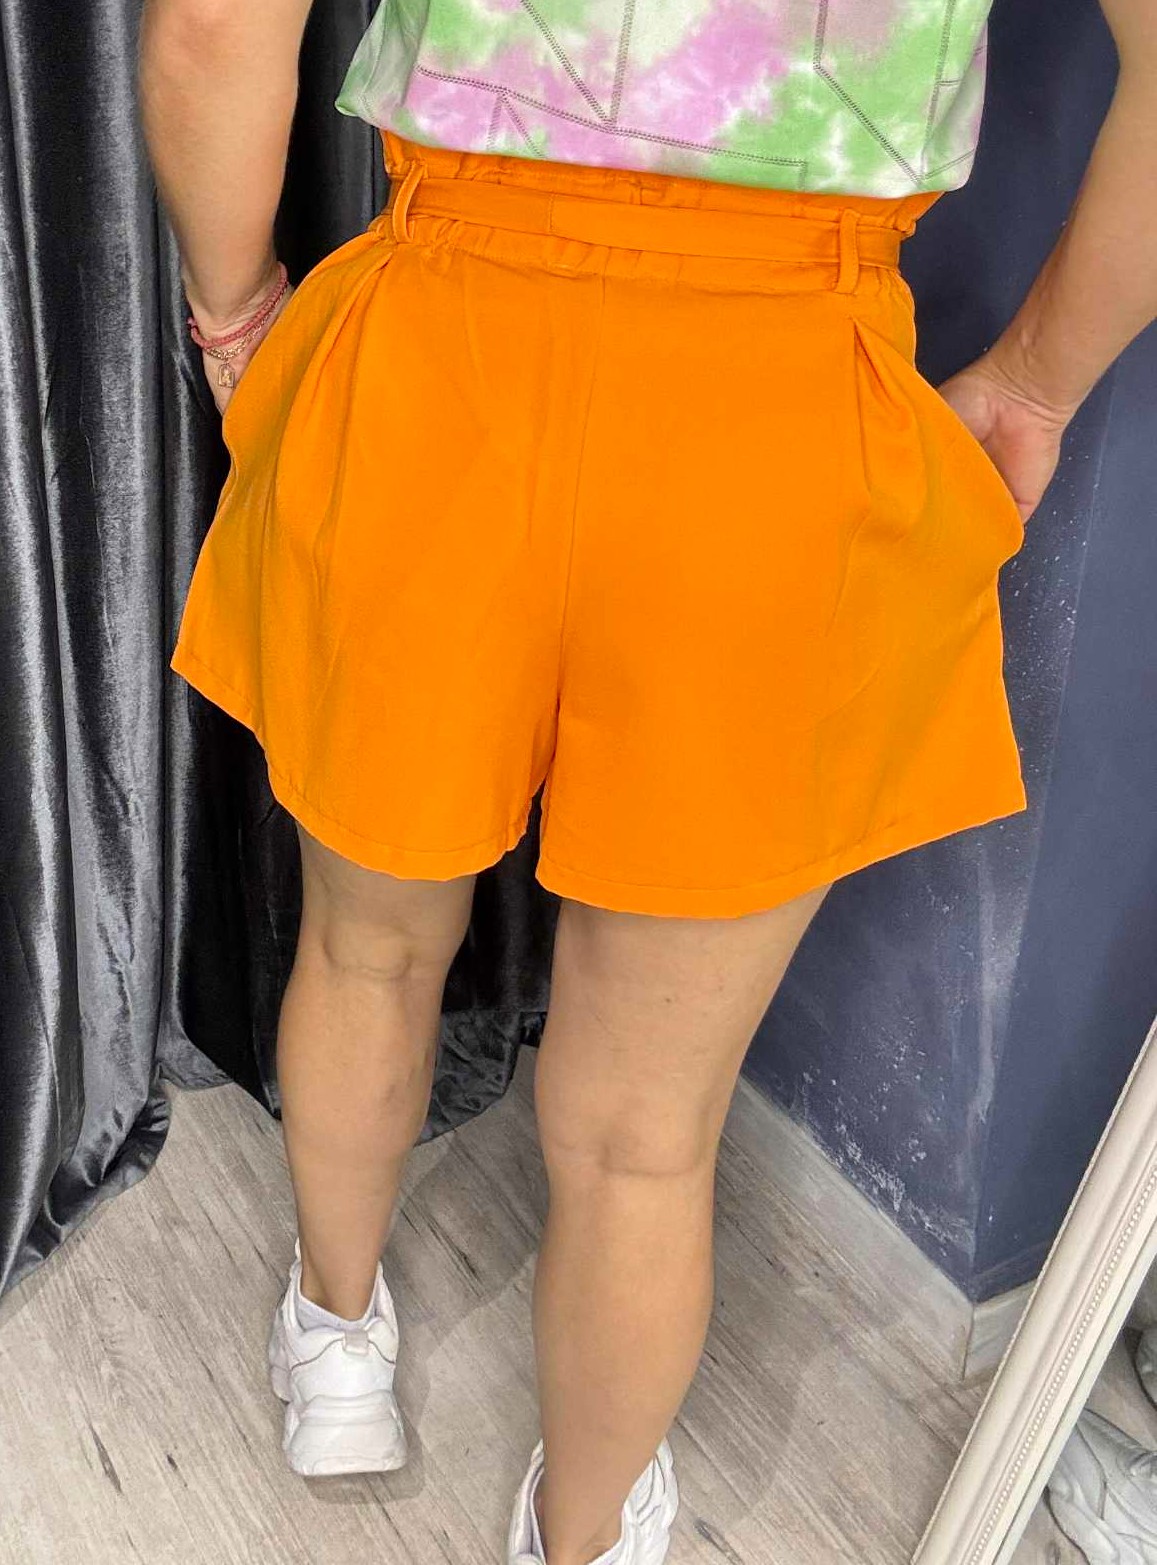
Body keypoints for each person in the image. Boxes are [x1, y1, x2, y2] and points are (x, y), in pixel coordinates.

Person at [138, 1, 1157, 1561]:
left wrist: (233, 320)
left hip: (442, 357)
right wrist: (1029, 385)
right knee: (643, 1127)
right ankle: (587, 1527)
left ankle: (333, 1343)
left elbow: (211, 27)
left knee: (365, 946)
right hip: (778, 413)